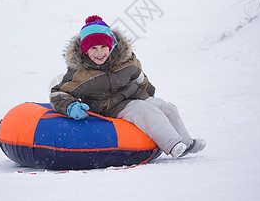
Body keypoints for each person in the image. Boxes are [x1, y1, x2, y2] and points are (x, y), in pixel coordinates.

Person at [50, 15, 205, 158]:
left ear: (110, 45)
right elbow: (58, 93)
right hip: (110, 107)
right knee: (144, 109)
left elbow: (139, 77)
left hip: (135, 95)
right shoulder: (80, 73)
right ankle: (173, 145)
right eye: (93, 48)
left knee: (168, 108)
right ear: (85, 50)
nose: (99, 53)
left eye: (103, 47)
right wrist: (71, 106)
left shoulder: (124, 60)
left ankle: (187, 143)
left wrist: (150, 94)